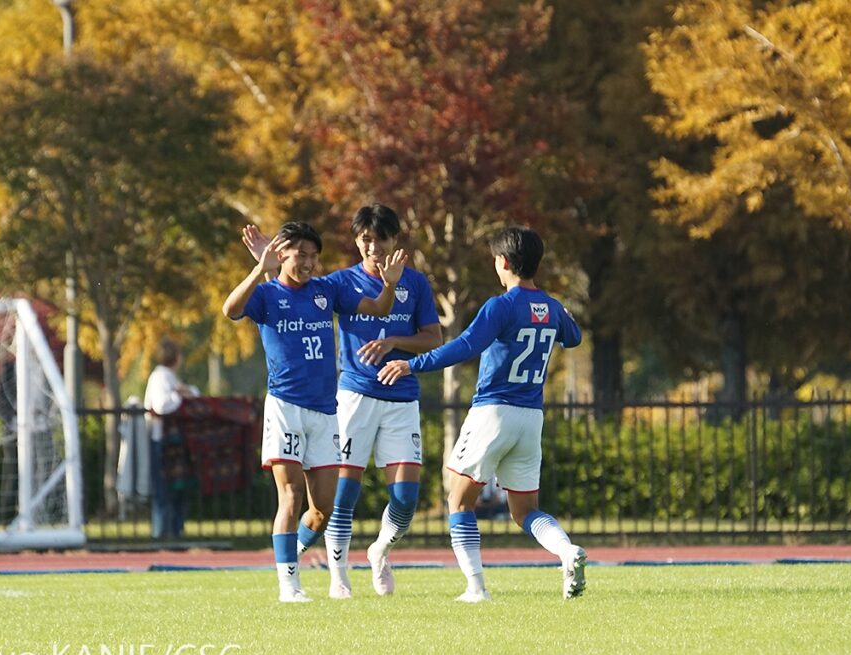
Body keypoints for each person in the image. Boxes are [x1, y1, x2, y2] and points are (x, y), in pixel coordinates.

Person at [243, 204, 442, 599]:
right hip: (352, 396)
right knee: (339, 496)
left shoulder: (414, 283)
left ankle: (379, 550)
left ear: (394, 241)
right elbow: (291, 294)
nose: (374, 248)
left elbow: (433, 338)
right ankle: (337, 578)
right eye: (366, 240)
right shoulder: (339, 281)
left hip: (402, 397)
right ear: (357, 241)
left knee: (405, 500)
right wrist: (268, 266)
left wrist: (394, 341)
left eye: (381, 240)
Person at [378, 226, 586, 602]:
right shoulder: (553, 307)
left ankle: (476, 588)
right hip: (530, 418)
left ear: (503, 262)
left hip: (494, 413)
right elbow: (573, 338)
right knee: (525, 511)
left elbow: (465, 346)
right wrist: (558, 313)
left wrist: (413, 364)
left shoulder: (501, 305)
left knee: (459, 501)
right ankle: (567, 550)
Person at [144, 338, 198, 540]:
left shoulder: (169, 377)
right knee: (164, 490)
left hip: (173, 443)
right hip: (162, 441)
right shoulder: (160, 377)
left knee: (177, 490)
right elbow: (162, 406)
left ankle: (175, 532)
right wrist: (179, 395)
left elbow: (194, 393)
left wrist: (183, 391)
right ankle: (162, 534)